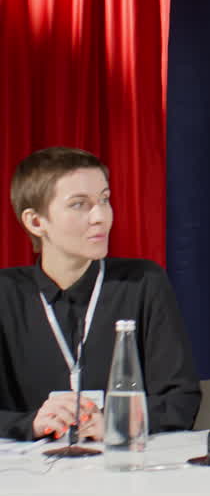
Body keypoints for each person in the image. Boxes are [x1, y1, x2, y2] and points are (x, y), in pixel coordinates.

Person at [0, 147, 199, 441]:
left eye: (104, 200)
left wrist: (121, 421)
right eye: (79, 205)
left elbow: (181, 401)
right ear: (36, 222)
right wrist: (31, 423)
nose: (100, 217)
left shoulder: (143, 282)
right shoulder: (7, 294)